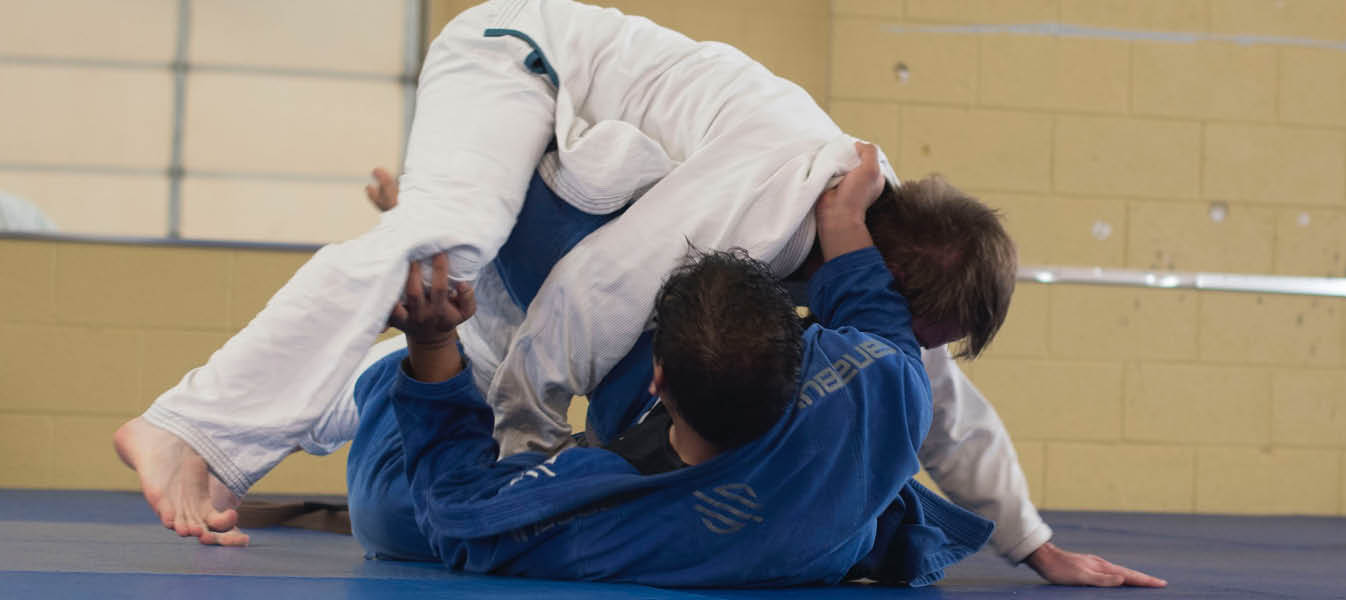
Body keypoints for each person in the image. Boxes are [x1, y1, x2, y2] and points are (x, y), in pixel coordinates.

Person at [114, 0, 1162, 587]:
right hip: (513, 63)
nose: (908, 345)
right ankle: (188, 424)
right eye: (916, 325)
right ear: (883, 273)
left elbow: (938, 402)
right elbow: (586, 293)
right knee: (451, 239)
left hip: (579, 168)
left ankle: (398, 350)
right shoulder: (772, 191)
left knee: (464, 329)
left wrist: (1034, 545)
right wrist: (526, 456)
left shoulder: (864, 267)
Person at [340, 164, 992, 585]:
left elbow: (454, 511)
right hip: (787, 518)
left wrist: (431, 344)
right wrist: (847, 224)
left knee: (393, 518)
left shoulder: (614, 520)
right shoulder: (886, 389)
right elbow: (876, 310)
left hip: (413, 459)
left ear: (658, 379)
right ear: (798, 359)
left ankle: (378, 376)